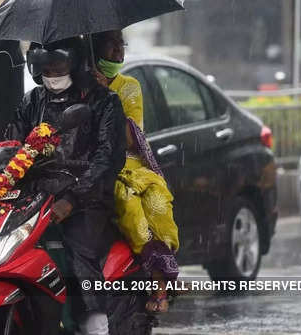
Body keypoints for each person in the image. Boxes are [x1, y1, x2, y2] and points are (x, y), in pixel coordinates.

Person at [6, 37, 126, 335]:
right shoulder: (31, 101)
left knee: (77, 253)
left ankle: (94, 325)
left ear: (75, 63)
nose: (52, 74)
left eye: (58, 65)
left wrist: (72, 199)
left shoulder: (103, 102)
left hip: (87, 199)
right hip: (36, 198)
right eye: (45, 68)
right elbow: (12, 145)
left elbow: (106, 160)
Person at [92, 30, 180, 313]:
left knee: (157, 201)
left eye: (122, 46)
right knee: (128, 204)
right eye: (111, 46)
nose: (119, 53)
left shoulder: (130, 86)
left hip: (130, 163)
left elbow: (131, 138)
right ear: (95, 49)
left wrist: (106, 95)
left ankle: (162, 279)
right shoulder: (80, 87)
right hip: (97, 165)